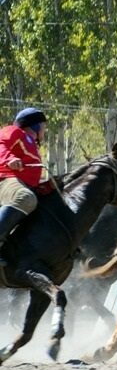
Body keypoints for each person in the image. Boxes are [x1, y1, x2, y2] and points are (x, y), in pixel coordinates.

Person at [0, 108, 50, 266]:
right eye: (43, 126)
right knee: (25, 198)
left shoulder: (33, 146)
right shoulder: (14, 131)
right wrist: (10, 158)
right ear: (35, 126)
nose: (44, 130)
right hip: (6, 180)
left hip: (24, 185)